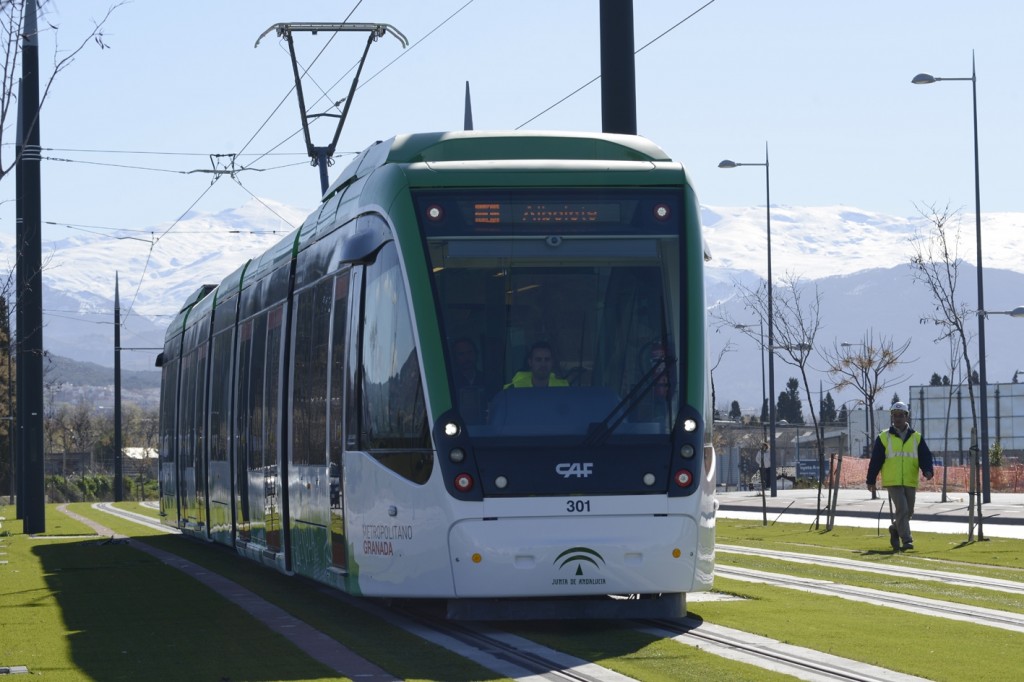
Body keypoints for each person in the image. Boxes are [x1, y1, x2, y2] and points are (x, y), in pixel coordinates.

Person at [866, 401, 934, 551]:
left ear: (906, 417)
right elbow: (876, 460)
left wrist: (927, 470)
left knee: (909, 511)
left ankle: (895, 529)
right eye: (895, 416)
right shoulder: (884, 437)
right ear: (892, 417)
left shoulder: (916, 437)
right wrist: (871, 480)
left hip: (910, 479)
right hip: (893, 480)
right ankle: (907, 540)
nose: (897, 418)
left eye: (900, 415)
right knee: (902, 509)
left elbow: (925, 456)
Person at [504, 341, 569, 388]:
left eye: (547, 359)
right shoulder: (514, 388)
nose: (543, 364)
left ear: (552, 362)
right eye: (538, 360)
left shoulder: (564, 388)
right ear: (530, 362)